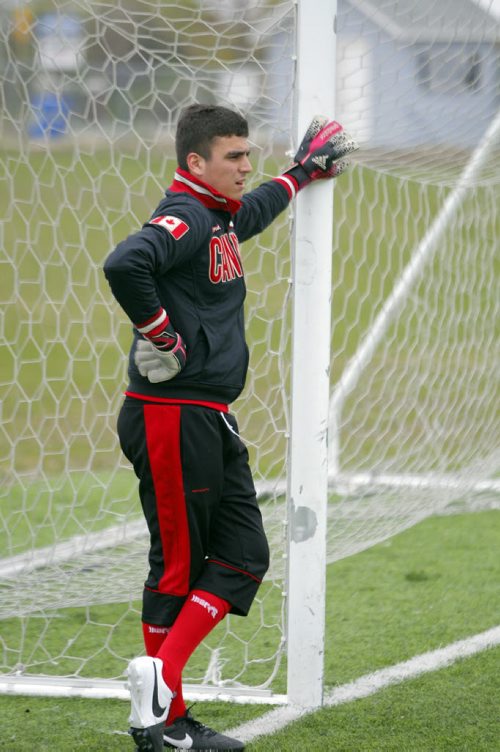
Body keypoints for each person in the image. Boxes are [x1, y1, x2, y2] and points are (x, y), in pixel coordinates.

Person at [103, 104, 357, 752]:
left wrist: (299, 174)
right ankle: (166, 722)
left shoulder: (216, 215)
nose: (247, 166)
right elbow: (125, 262)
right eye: (233, 157)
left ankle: (159, 687)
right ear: (195, 163)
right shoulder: (185, 216)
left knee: (245, 554)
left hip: (208, 417)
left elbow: (258, 209)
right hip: (170, 417)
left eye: (248, 155)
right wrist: (158, 331)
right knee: (177, 568)